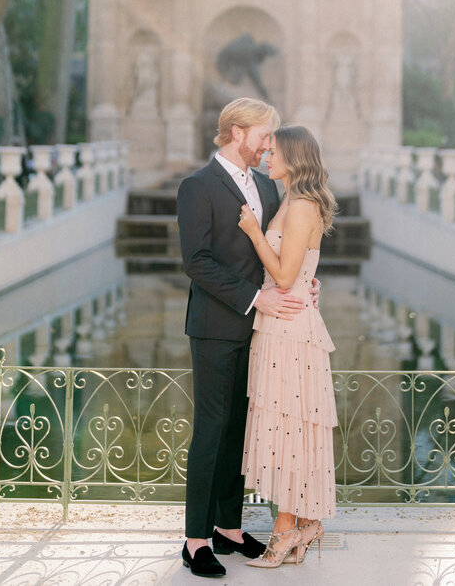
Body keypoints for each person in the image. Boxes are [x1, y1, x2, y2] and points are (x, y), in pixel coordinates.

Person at [178, 97, 319, 578]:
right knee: (212, 429)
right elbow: (196, 261)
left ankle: (229, 529)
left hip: (264, 332)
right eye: (262, 135)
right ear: (237, 132)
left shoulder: (267, 185)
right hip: (217, 327)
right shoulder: (196, 186)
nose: (267, 145)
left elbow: (282, 250)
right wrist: (256, 299)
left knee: (239, 430)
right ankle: (196, 539)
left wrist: (306, 281)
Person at [238, 124, 338, 568]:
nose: (266, 156)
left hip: (291, 330)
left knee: (289, 431)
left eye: (274, 151)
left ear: (295, 158)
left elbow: (282, 276)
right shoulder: (294, 203)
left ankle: (284, 533)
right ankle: (298, 527)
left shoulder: (299, 206)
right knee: (288, 431)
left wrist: (253, 232)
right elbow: (298, 274)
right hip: (284, 324)